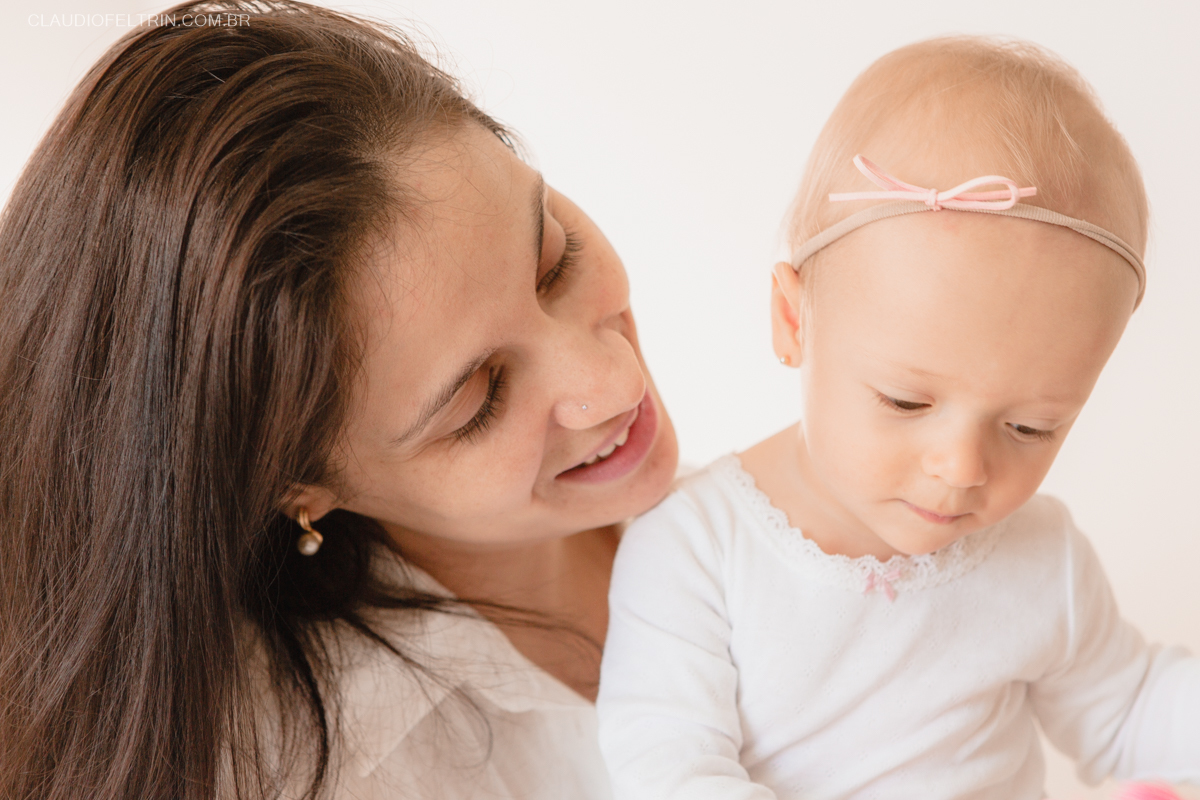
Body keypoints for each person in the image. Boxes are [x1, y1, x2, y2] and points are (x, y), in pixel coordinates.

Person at [0, 2, 678, 799]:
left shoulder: (755, 519)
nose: (615, 383)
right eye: (478, 400)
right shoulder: (324, 775)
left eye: (554, 260)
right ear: (298, 484)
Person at [596, 36, 1200, 800]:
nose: (962, 466)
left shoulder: (1044, 559)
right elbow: (669, 771)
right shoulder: (696, 551)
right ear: (793, 318)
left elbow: (1130, 713)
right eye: (907, 402)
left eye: (1031, 427)